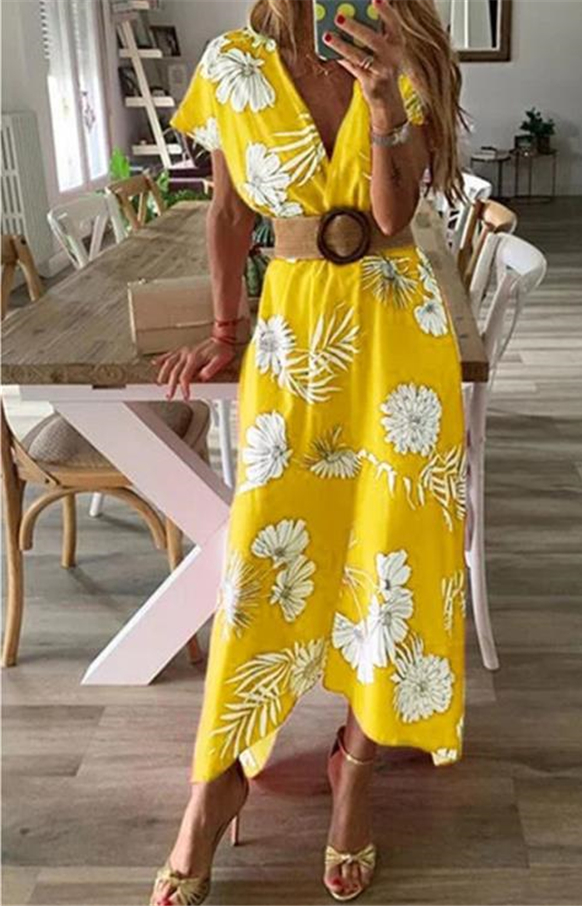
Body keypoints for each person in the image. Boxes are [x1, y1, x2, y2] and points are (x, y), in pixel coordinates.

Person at [150, 0, 468, 902]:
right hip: (295, 346)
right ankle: (215, 783)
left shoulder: (406, 49)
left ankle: (355, 768)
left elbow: (393, 216)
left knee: (395, 556)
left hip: (400, 344)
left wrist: (385, 98)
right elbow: (226, 212)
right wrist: (224, 330)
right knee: (264, 559)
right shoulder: (231, 64)